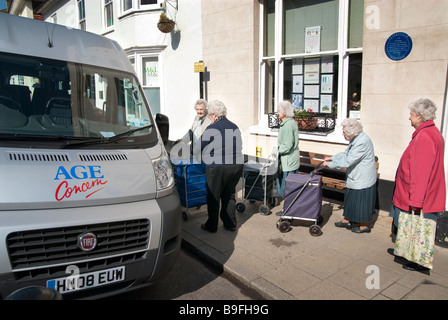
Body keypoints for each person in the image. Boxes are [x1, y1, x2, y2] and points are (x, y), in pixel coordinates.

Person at [389, 98, 445, 271]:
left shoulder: (425, 137)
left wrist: (417, 202)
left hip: (416, 195)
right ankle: (406, 252)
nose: (409, 118)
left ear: (420, 115)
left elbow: (421, 173)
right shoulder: (431, 132)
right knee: (409, 226)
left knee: (415, 227)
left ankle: (417, 260)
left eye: (411, 114)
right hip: (417, 192)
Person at [193, 100, 244, 233]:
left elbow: (198, 147)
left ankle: (212, 225)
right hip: (236, 165)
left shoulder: (212, 128)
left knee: (213, 196)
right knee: (229, 194)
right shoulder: (234, 126)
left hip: (218, 167)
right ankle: (231, 223)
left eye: (210, 115)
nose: (210, 118)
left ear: (214, 115)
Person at [323, 118, 377, 233]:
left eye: (344, 132)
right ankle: (347, 219)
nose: (343, 134)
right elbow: (346, 153)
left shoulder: (363, 141)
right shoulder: (356, 139)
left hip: (363, 178)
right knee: (351, 199)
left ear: (352, 132)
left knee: (361, 203)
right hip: (355, 176)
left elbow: (348, 160)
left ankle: (364, 225)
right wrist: (333, 158)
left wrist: (331, 164)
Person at [276, 100, 300, 197]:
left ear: (284, 112)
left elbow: (287, 145)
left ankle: (286, 208)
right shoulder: (290, 123)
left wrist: (276, 150)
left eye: (278, 111)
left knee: (287, 187)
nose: (277, 113)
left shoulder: (288, 125)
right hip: (290, 160)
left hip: (288, 161)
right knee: (289, 186)